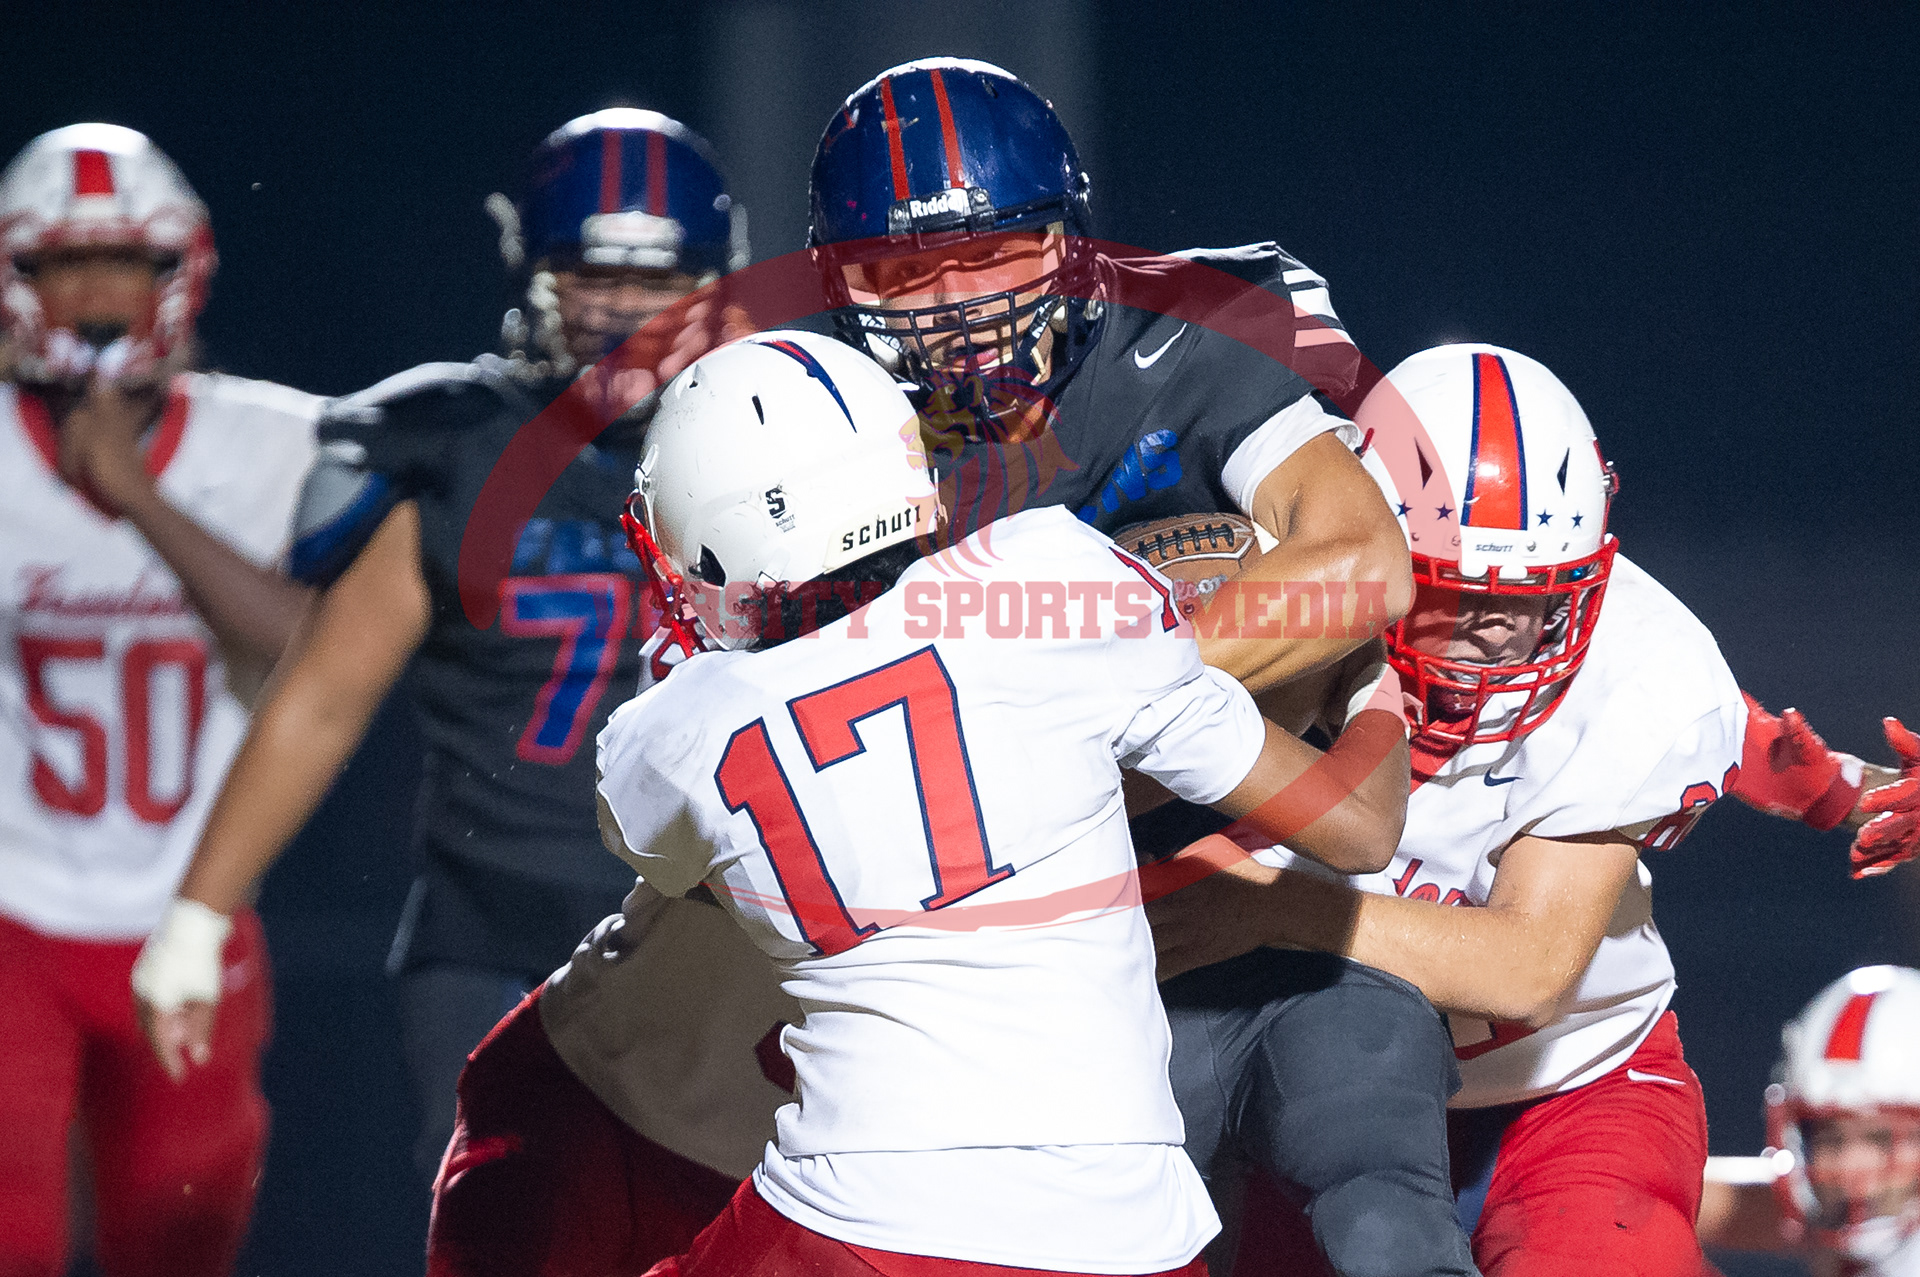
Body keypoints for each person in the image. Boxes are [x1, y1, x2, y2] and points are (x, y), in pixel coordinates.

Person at [591, 328, 1409, 1274]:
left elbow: (709, 852)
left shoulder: (668, 739)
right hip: (1138, 1234)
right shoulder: (1052, 572)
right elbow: (1360, 829)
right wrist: (1360, 672)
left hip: (864, 1221)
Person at [129, 109, 750, 1189]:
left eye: (655, 283)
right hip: (494, 920)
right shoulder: (458, 444)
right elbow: (325, 693)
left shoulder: (771, 441)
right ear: (532, 275)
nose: (623, 313)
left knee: (711, 1226)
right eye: (591, 278)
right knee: (500, 1228)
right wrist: (195, 916)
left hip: (710, 924)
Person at [0, 124, 319, 1277]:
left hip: (193, 904)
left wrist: (134, 495)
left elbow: (318, 650)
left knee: (178, 1240)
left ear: (180, 272)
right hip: (12, 911)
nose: (95, 297)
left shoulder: (277, 442)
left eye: (124, 264)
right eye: (63, 266)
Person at [1697, 965, 1920, 1277]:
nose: (1849, 1166)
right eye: (1830, 1137)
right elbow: (1707, 1201)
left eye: (1880, 1138)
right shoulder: (1844, 1216)